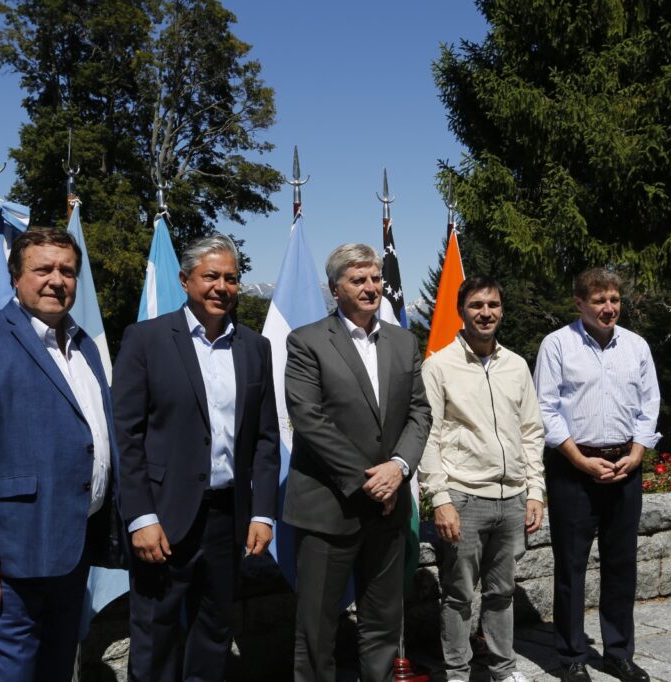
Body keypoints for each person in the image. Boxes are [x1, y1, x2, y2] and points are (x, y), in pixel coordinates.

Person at [0, 227, 125, 681]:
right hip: (8, 565)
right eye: (43, 269)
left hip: (71, 555)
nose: (57, 279)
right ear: (16, 278)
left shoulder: (86, 349)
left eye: (68, 271)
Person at [112, 233, 280, 682]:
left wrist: (263, 511)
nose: (221, 286)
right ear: (185, 280)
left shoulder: (254, 347)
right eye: (211, 276)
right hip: (164, 518)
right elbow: (126, 435)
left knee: (215, 631)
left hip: (228, 518)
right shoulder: (146, 339)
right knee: (155, 633)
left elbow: (266, 438)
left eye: (231, 278)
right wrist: (140, 516)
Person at [283, 243, 431, 682]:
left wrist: (399, 467)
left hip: (389, 511)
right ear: (334, 289)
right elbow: (309, 419)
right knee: (317, 629)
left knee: (383, 624)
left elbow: (420, 412)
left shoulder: (403, 341)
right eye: (358, 280)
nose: (371, 288)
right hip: (330, 508)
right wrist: (369, 480)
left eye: (375, 278)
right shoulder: (307, 341)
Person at [533, 268, 661, 682]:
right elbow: (545, 409)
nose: (609, 308)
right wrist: (579, 460)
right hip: (574, 470)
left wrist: (638, 452)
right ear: (579, 303)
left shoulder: (637, 347)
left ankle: (618, 652)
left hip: (625, 465)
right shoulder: (557, 345)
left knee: (622, 564)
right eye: (600, 300)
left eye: (615, 300)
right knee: (571, 565)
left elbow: (650, 405)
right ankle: (571, 654)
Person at [419, 274, 545, 682]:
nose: (485, 313)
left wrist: (535, 491)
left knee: (502, 594)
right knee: (457, 596)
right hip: (464, 499)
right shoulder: (439, 365)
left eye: (492, 305)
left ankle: (502, 671)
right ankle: (458, 674)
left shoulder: (516, 365)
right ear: (461, 311)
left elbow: (531, 432)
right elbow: (429, 437)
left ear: (501, 310)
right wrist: (440, 498)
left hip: (511, 499)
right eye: (476, 305)